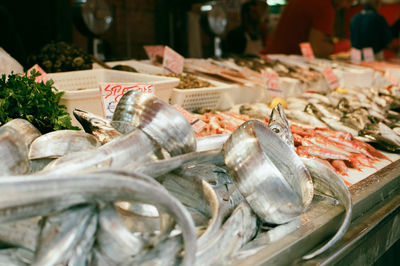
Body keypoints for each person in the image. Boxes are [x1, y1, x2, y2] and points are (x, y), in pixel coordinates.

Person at [262, 0, 353, 57]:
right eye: (349, 1)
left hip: (274, 57)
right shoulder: (324, 5)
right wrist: (343, 46)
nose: (348, 6)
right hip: (285, 62)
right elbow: (317, 49)